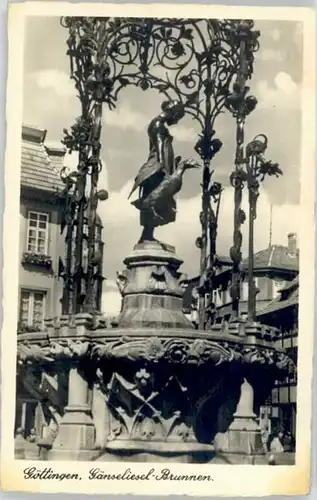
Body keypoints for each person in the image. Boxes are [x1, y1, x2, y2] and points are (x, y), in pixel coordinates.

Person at [128, 100, 186, 242]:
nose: (177, 121)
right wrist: (164, 170)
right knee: (155, 199)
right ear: (173, 113)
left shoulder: (158, 124)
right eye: (178, 117)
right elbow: (160, 148)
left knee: (158, 201)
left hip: (160, 166)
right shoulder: (158, 125)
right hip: (157, 168)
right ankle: (146, 235)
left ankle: (147, 235)